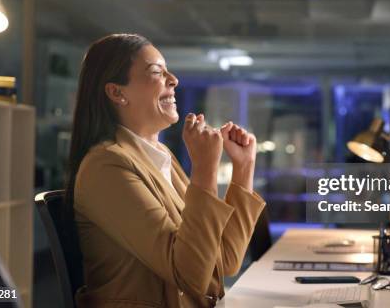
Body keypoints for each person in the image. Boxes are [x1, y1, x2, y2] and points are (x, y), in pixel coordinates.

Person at [64, 34, 266, 308]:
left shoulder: (159, 158)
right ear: (117, 93)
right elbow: (191, 274)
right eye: (157, 72)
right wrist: (205, 168)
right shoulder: (106, 166)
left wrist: (244, 167)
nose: (174, 80)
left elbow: (224, 262)